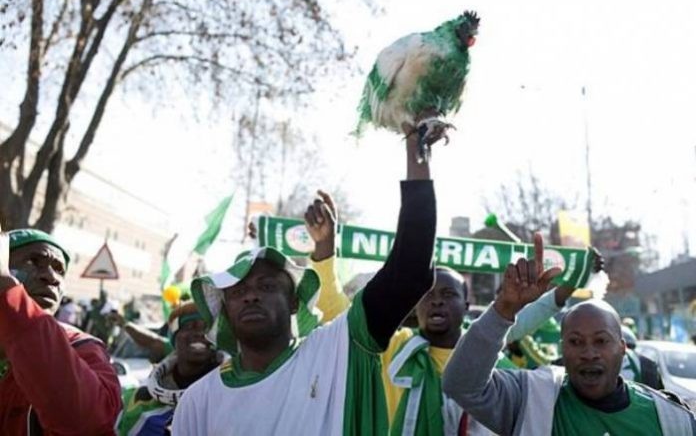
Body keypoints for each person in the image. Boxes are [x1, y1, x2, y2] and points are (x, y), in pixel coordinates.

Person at [172, 131, 439, 435]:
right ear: (224, 309)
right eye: (238, 291)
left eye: (267, 286)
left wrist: (416, 144)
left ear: (295, 301)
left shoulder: (340, 349)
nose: (250, 297)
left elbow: (410, 270)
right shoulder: (198, 402)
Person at [303, 192, 581, 435]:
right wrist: (325, 248)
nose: (436, 302)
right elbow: (335, 312)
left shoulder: (489, 367)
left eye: (448, 295)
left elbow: (534, 408)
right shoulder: (391, 349)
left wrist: (576, 273)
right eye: (428, 295)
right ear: (415, 305)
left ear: (467, 304)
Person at [442, 233, 696, 435]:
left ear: (622, 347)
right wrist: (504, 308)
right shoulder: (530, 399)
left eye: (601, 340)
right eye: (575, 342)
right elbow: (460, 385)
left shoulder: (674, 421)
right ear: (563, 349)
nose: (589, 353)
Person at [0, 227, 121, 435]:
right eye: (32, 261)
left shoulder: (82, 348)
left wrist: (6, 284)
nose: (51, 277)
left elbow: (86, 423)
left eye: (59, 270)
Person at [117, 302, 222, 435]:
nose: (200, 334)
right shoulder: (137, 402)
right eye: (190, 326)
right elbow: (151, 341)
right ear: (174, 338)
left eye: (208, 329)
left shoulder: (229, 397)